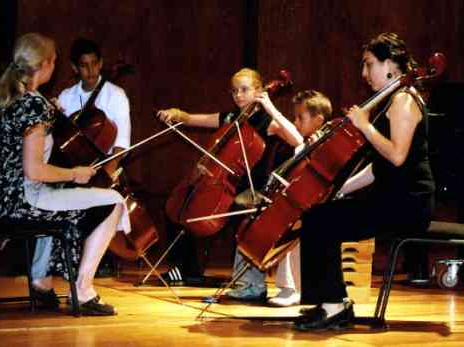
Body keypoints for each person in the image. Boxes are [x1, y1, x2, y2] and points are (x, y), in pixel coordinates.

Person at [0, 32, 131, 316]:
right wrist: (75, 173)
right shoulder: (34, 104)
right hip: (21, 201)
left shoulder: (8, 97)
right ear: (46, 64)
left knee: (73, 200)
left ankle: (43, 278)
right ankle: (84, 290)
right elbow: (35, 170)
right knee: (113, 200)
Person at [293, 32, 435, 331]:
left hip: (408, 204)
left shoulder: (404, 101)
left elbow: (396, 156)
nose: (364, 73)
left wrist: (366, 126)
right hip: (391, 197)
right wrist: (339, 189)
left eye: (368, 64)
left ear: (390, 65)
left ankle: (334, 307)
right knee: (320, 214)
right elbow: (378, 167)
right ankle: (332, 304)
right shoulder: (391, 101)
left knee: (321, 221)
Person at [156, 68, 304, 285]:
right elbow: (195, 119)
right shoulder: (231, 117)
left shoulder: (267, 122)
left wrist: (271, 108)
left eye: (244, 90)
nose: (238, 95)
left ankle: (249, 282)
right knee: (177, 206)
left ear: (259, 90)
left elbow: (297, 138)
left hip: (252, 187)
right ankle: (186, 269)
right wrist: (177, 114)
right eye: (234, 91)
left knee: (238, 208)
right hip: (223, 182)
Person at [31, 37, 131, 284]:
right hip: (68, 168)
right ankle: (41, 276)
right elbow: (56, 143)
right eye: (84, 66)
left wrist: (104, 176)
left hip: (102, 169)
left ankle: (75, 271)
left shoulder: (116, 95)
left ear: (101, 63)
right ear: (75, 68)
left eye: (95, 64)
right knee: (49, 195)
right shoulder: (66, 96)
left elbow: (121, 146)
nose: (90, 71)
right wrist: (57, 119)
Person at [226, 90, 332, 306]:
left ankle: (292, 287)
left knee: (292, 223)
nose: (296, 121)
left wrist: (271, 109)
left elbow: (296, 139)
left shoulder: (322, 143)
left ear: (319, 120)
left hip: (316, 203)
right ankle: (273, 284)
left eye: (300, 118)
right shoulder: (307, 143)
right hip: (297, 198)